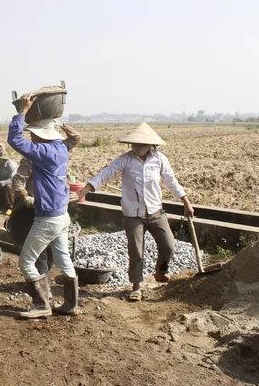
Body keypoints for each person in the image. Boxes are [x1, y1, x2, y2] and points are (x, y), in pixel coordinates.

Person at [70, 123, 195, 301]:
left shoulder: (159, 159)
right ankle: (136, 286)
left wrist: (186, 202)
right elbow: (104, 174)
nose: (136, 147)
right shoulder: (125, 160)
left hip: (155, 212)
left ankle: (161, 271)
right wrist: (82, 192)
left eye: (140, 144)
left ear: (150, 145)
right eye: (134, 144)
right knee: (136, 250)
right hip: (133, 214)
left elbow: (171, 182)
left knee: (169, 245)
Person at [8, 93, 80, 319]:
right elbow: (76, 138)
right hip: (62, 215)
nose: (33, 138)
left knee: (26, 261)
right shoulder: (60, 149)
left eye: (34, 135)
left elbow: (15, 140)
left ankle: (42, 305)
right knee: (63, 259)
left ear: (39, 136)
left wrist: (21, 112)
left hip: (47, 217)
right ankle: (71, 304)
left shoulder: (43, 152)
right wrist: (62, 125)